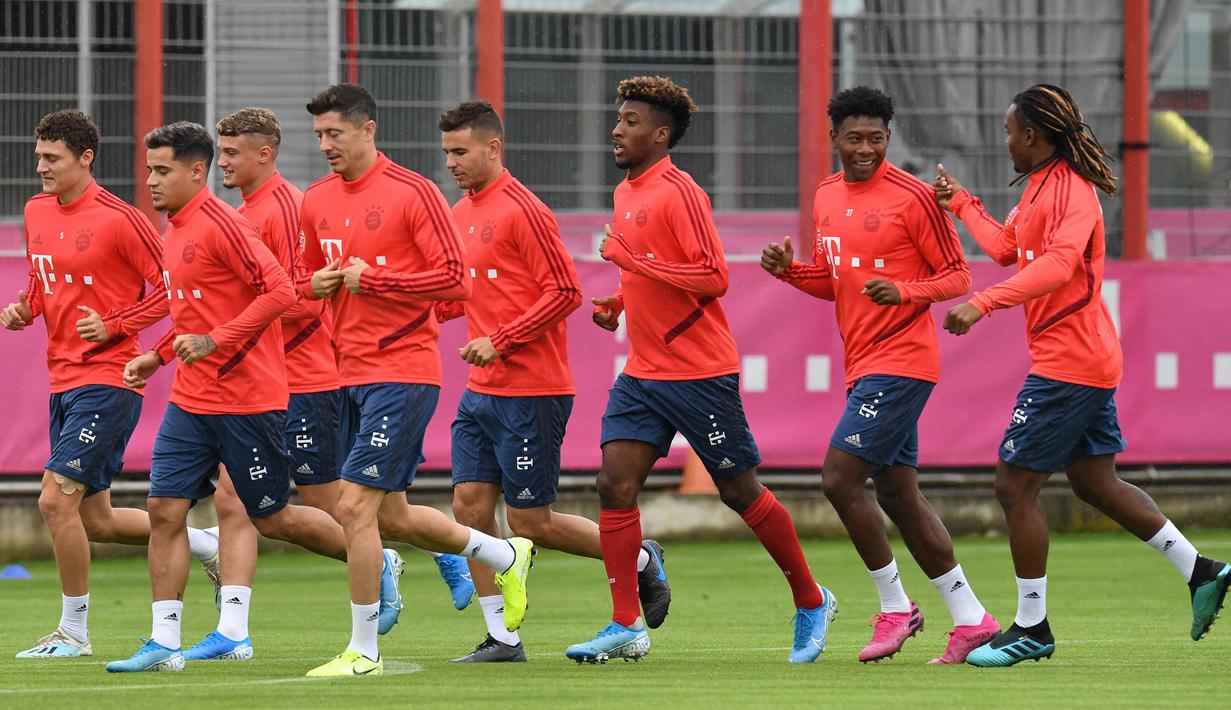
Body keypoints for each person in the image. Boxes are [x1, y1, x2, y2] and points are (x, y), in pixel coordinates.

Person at [934, 83, 1230, 666]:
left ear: (1033, 135)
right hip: (1082, 357)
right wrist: (962, 203)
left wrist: (985, 303)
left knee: (1013, 486)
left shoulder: (1072, 191)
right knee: (1095, 481)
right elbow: (1006, 250)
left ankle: (1031, 628)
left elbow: (1060, 264)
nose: (1007, 140)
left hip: (1071, 361)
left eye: (1010, 131)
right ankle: (1203, 570)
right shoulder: (1041, 186)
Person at [566, 76, 834, 665]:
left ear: (661, 136)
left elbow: (714, 278)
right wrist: (622, 295)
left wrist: (631, 262)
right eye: (619, 119)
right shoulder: (628, 191)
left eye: (631, 122)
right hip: (644, 372)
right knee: (613, 484)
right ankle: (625, 623)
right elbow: (654, 273)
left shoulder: (680, 192)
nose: (617, 129)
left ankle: (812, 599)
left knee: (740, 491)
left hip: (699, 372)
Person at [298, 83, 535, 677]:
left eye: (336, 133)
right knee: (391, 517)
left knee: (352, 507)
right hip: (345, 373)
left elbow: (456, 280)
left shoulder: (414, 192)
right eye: (320, 135)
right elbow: (306, 278)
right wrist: (317, 285)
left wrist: (373, 281)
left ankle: (363, 652)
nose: (326, 145)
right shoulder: (316, 199)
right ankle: (502, 553)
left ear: (369, 130)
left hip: (402, 371)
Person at [105, 122, 357, 673]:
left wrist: (218, 341)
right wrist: (158, 356)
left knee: (272, 518)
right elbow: (192, 309)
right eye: (148, 169)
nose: (150, 180)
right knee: (164, 509)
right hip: (191, 399)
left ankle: (373, 557)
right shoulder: (172, 228)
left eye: (162, 170)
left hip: (249, 398)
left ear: (196, 171)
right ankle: (164, 642)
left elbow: (283, 291)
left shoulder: (226, 224)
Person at [761, 86, 998, 665]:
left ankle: (896, 607)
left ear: (889, 139)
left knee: (839, 480)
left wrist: (906, 291)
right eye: (854, 138)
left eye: (876, 138)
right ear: (835, 139)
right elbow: (834, 279)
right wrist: (791, 272)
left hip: (903, 362)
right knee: (897, 494)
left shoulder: (914, 197)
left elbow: (958, 275)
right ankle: (973, 619)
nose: (865, 148)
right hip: (863, 363)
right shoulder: (825, 197)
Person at [436, 100, 671, 663]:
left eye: (460, 151)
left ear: (493, 148)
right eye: (446, 153)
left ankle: (641, 559)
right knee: (468, 508)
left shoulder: (524, 209)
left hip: (533, 389)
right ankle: (503, 638)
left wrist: (502, 339)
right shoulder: (458, 211)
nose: (451, 163)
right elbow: (459, 293)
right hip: (481, 389)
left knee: (529, 522)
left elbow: (564, 292)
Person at [3, 110, 218, 659]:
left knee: (54, 502)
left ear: (85, 159)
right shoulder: (35, 210)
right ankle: (202, 543)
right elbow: (40, 275)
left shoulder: (121, 219)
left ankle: (74, 632)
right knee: (92, 519)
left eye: (52, 158)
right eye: (39, 155)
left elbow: (173, 291)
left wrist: (119, 325)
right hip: (62, 378)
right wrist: (26, 307)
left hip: (110, 378)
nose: (40, 166)